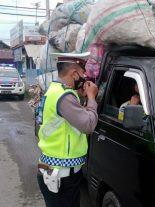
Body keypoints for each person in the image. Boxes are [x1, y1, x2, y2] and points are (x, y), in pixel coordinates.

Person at [36, 52, 99, 207]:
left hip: (52, 170)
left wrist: (82, 98)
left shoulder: (54, 90)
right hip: (62, 176)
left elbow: (70, 119)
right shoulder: (65, 97)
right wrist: (91, 98)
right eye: (83, 73)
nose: (84, 78)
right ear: (74, 73)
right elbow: (88, 125)